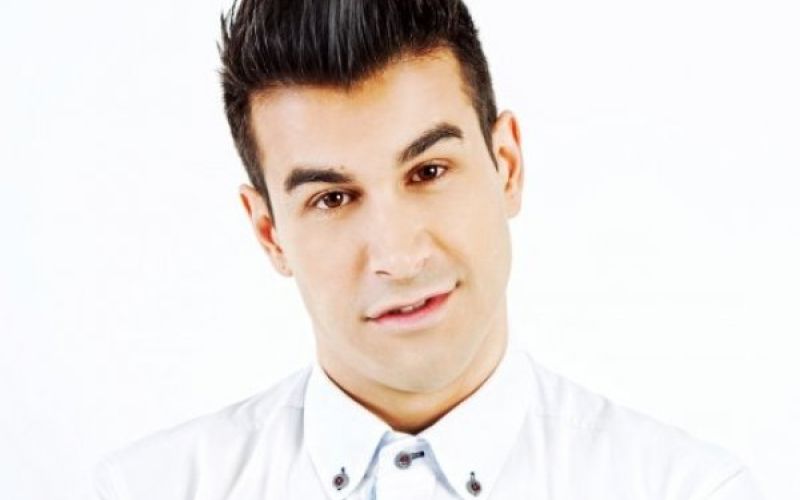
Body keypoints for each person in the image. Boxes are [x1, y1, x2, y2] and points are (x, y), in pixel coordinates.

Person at [94, 0, 762, 498]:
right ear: (270, 233)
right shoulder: (147, 490)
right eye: (332, 198)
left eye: (429, 171)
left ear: (507, 166)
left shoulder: (687, 489)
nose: (398, 254)